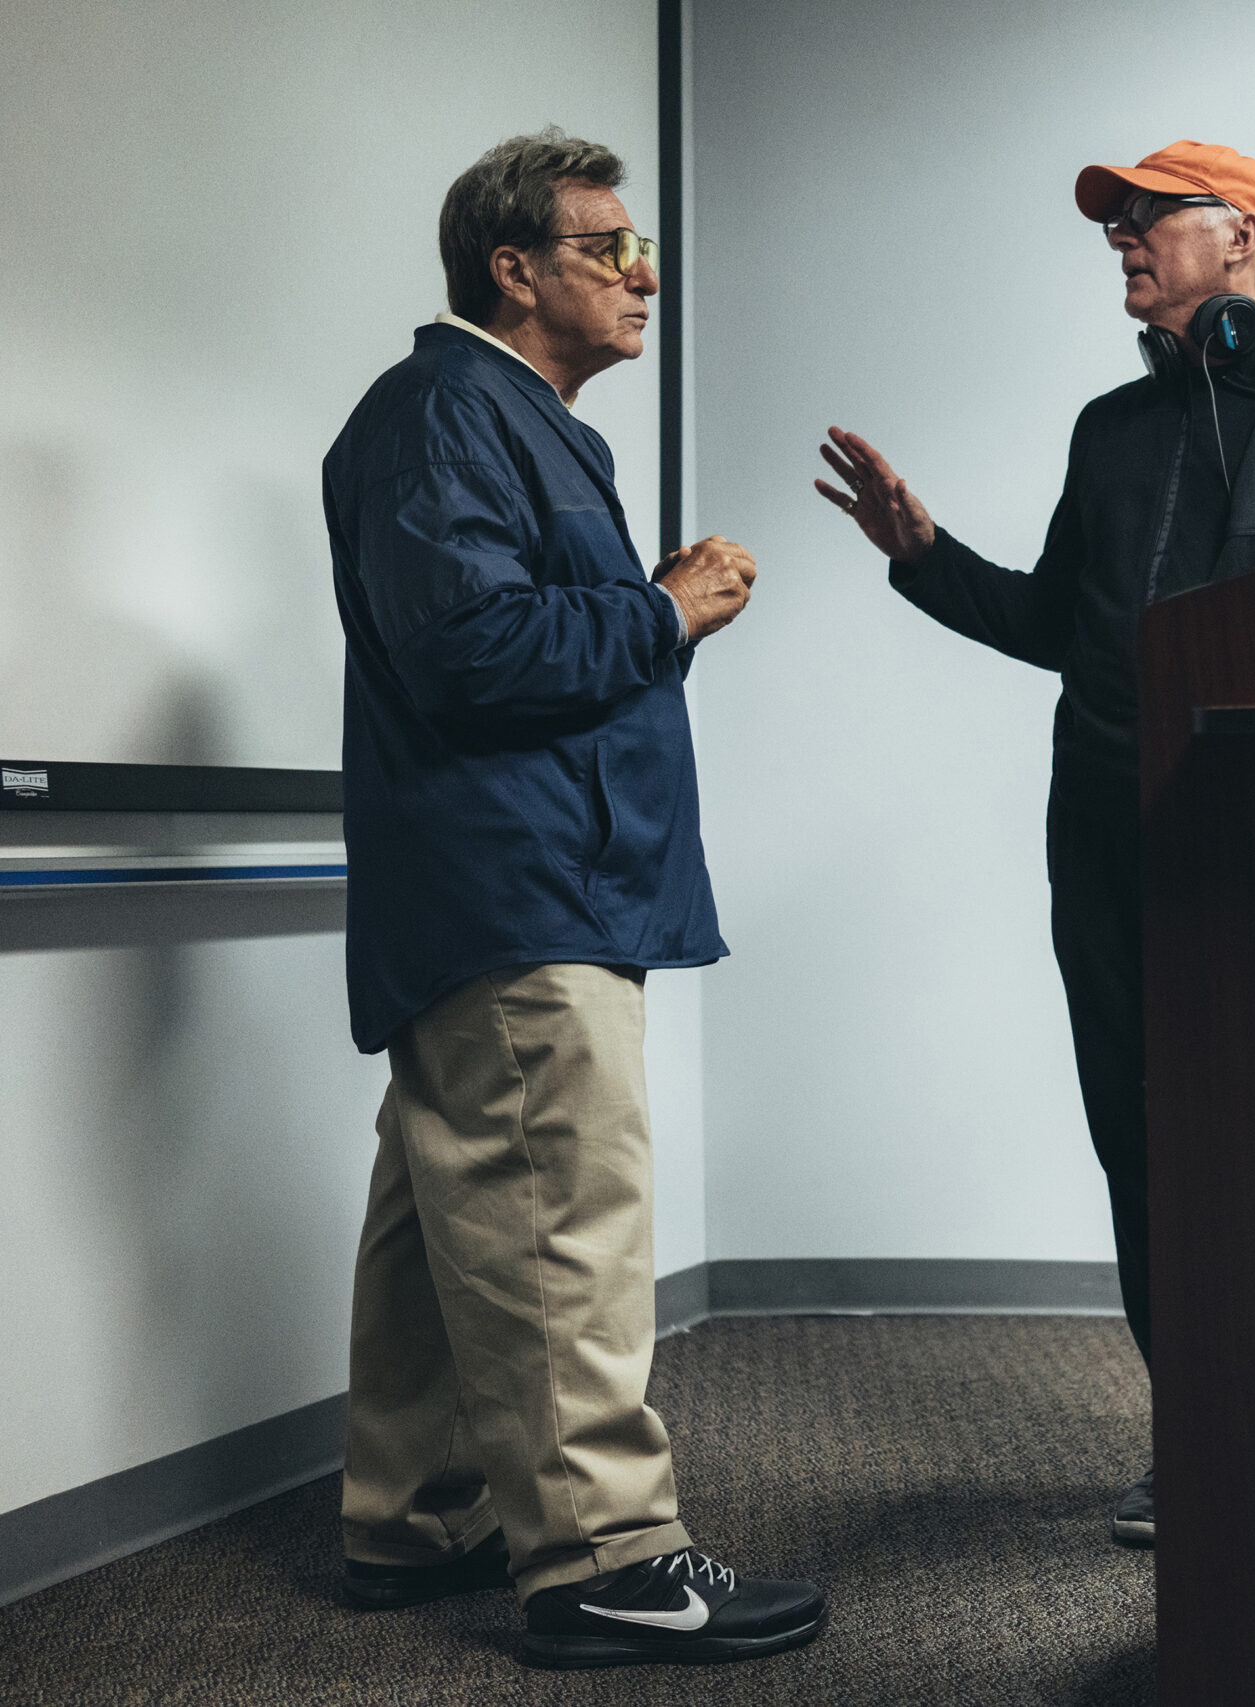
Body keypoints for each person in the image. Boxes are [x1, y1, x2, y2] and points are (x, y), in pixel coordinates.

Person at [811, 140, 1255, 1547]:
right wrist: (926, 554)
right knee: (1144, 1134)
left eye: (1157, 216)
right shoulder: (1109, 430)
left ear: (1252, 238)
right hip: (1106, 830)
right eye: (1120, 221)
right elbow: (1056, 622)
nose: (1127, 237)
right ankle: (1202, 1425)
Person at [324, 128, 825, 1669]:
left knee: (454, 1201)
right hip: (519, 883)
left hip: (519, 876)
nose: (643, 273)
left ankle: (417, 1510)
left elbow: (515, 619)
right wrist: (663, 610)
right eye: (609, 246)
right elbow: (470, 655)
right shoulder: (441, 411)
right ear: (514, 267)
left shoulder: (503, 416)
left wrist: (633, 604)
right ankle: (607, 1555)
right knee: (560, 1221)